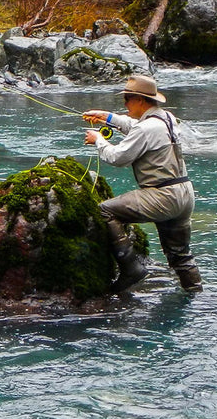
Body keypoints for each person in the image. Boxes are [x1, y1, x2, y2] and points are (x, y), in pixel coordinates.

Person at [82, 75, 203, 292]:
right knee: (180, 255)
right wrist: (107, 117)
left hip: (162, 196)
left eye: (127, 99)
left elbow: (118, 157)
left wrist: (98, 140)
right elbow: (136, 126)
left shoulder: (146, 128)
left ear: (139, 100)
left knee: (105, 211)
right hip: (185, 194)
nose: (125, 104)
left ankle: (131, 268)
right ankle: (195, 293)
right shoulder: (167, 118)